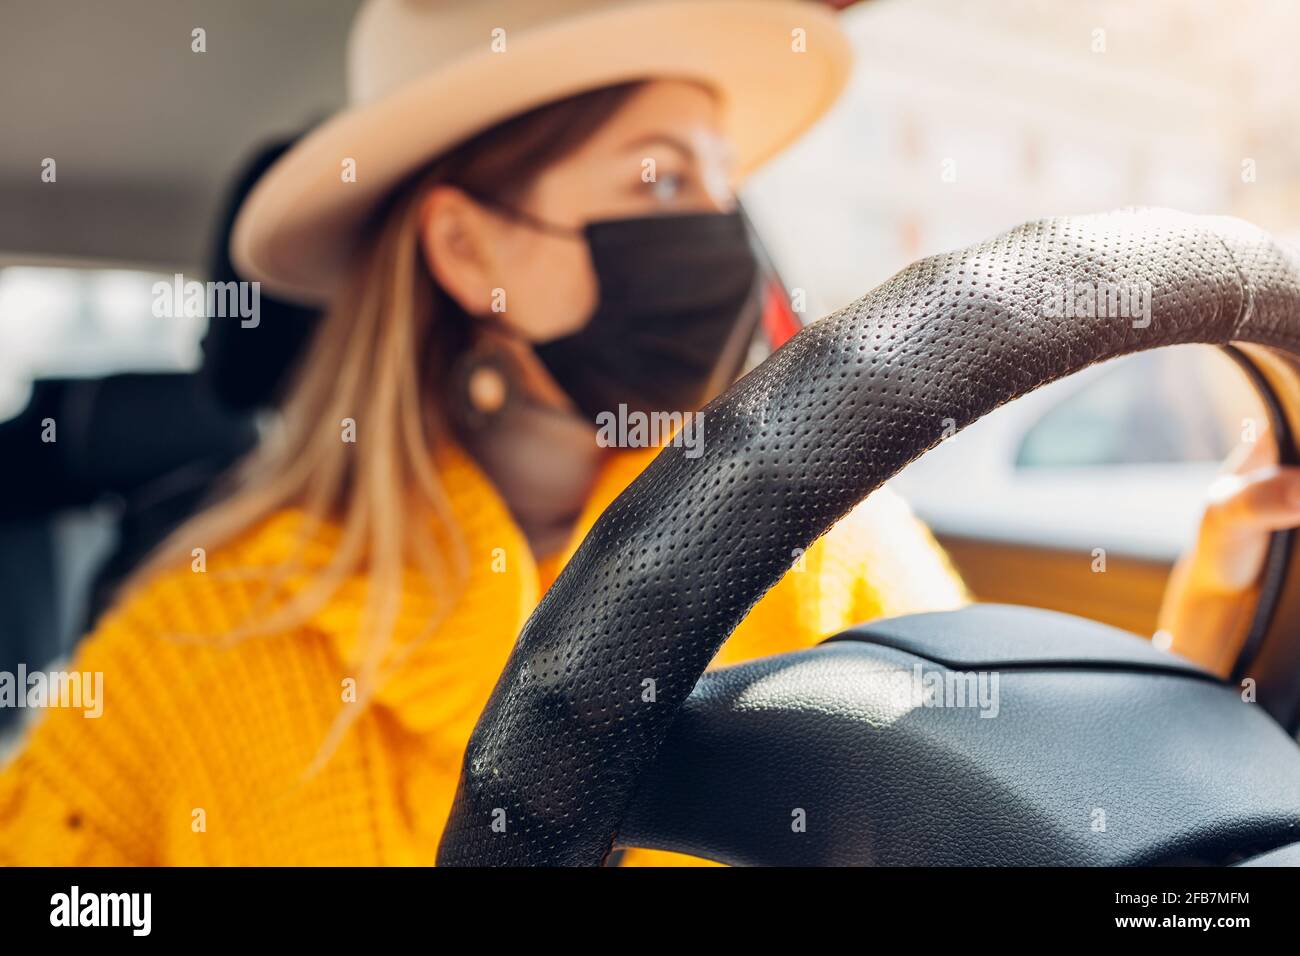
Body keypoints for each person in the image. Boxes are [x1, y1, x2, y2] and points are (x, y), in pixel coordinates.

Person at [0, 0, 1289, 866]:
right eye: (662, 181)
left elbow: (1003, 807)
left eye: (723, 182)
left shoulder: (826, 533)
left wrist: (1198, 650)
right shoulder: (204, 638)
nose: (722, 238)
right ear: (468, 248)